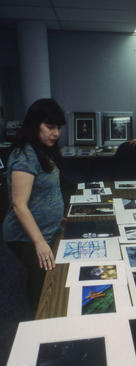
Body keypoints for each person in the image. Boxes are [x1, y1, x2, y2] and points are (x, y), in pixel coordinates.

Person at [2, 98, 66, 312]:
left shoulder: (43, 149)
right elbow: (19, 205)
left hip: (48, 229)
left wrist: (58, 215)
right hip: (26, 237)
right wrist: (39, 242)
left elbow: (47, 191)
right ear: (34, 124)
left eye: (58, 127)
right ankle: (40, 318)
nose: (55, 133)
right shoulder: (25, 156)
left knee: (48, 274)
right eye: (49, 126)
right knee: (43, 280)